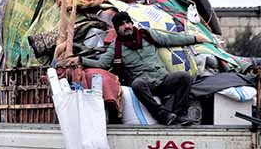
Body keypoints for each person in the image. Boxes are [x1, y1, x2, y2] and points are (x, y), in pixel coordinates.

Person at [68, 11, 210, 125]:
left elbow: (170, 39)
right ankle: (162, 115)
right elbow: (102, 64)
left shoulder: (147, 35)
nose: (127, 26)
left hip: (163, 78)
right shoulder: (115, 47)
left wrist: (195, 39)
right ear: (117, 29)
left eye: (128, 22)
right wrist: (80, 59)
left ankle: (179, 114)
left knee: (184, 77)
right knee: (137, 84)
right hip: (146, 84)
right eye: (122, 24)